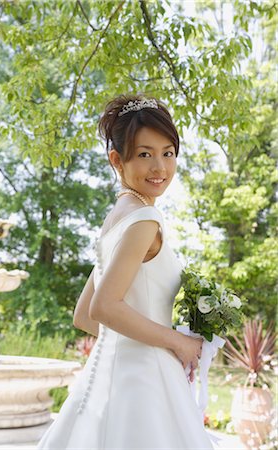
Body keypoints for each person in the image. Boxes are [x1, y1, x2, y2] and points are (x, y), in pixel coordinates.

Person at [37, 94, 214, 449]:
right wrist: (177, 341)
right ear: (117, 159)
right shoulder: (145, 220)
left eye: (168, 153)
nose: (160, 167)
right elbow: (103, 308)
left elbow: (84, 316)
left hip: (105, 380)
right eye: (145, 154)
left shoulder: (115, 219)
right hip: (144, 385)